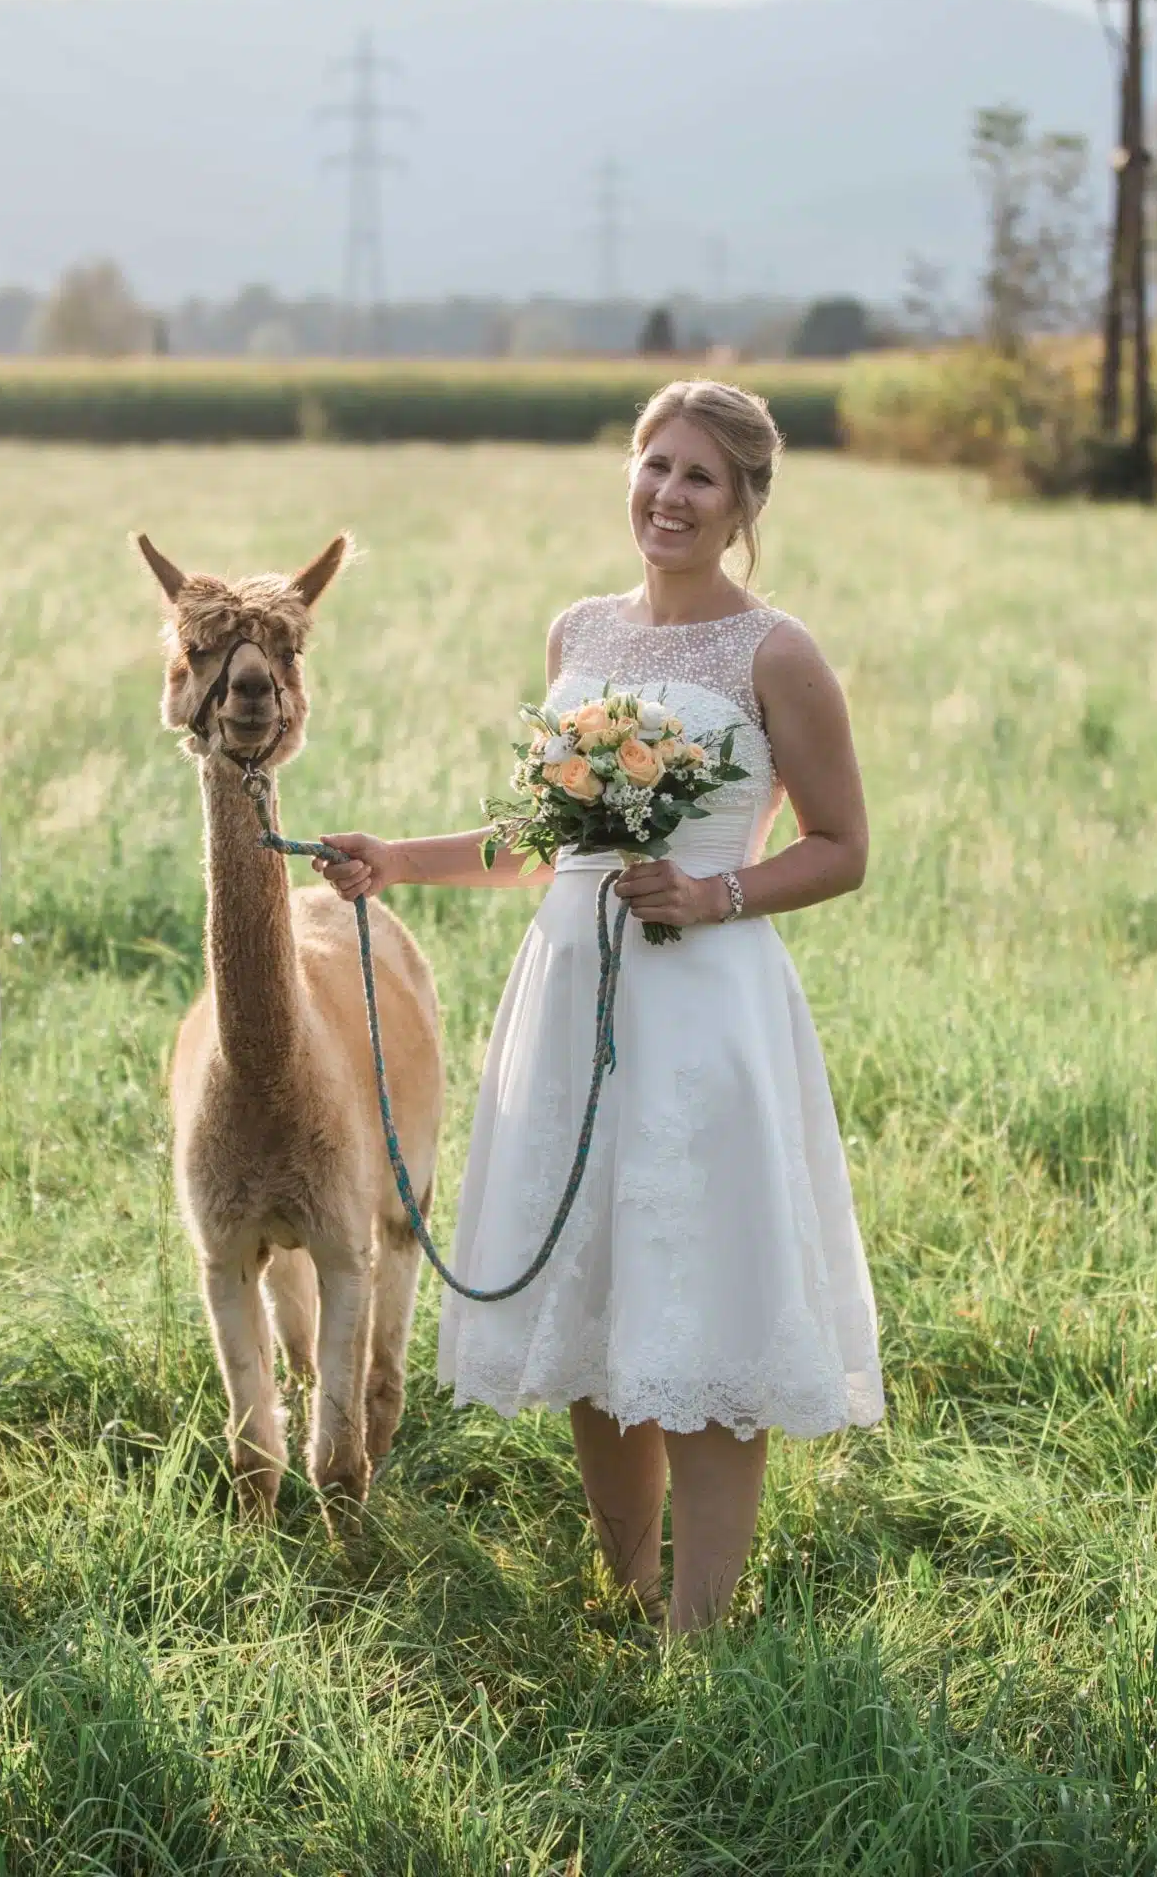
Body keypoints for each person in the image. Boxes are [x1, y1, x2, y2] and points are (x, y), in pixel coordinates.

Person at [314, 379, 882, 1634]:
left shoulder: (774, 653)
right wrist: (396, 859)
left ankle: (699, 1632)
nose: (667, 495)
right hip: (570, 992)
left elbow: (842, 846)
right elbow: (537, 839)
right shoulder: (577, 635)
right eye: (653, 465)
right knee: (590, 1290)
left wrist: (714, 890)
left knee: (702, 1294)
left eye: (699, 478)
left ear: (742, 506)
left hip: (706, 1007)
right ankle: (625, 1591)